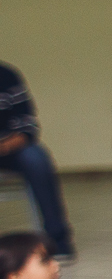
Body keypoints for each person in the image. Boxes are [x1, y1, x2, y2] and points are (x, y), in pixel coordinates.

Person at [0, 62, 75, 260]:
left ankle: (58, 240)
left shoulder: (7, 75)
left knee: (37, 158)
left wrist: (6, 144)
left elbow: (28, 125)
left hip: (9, 147)